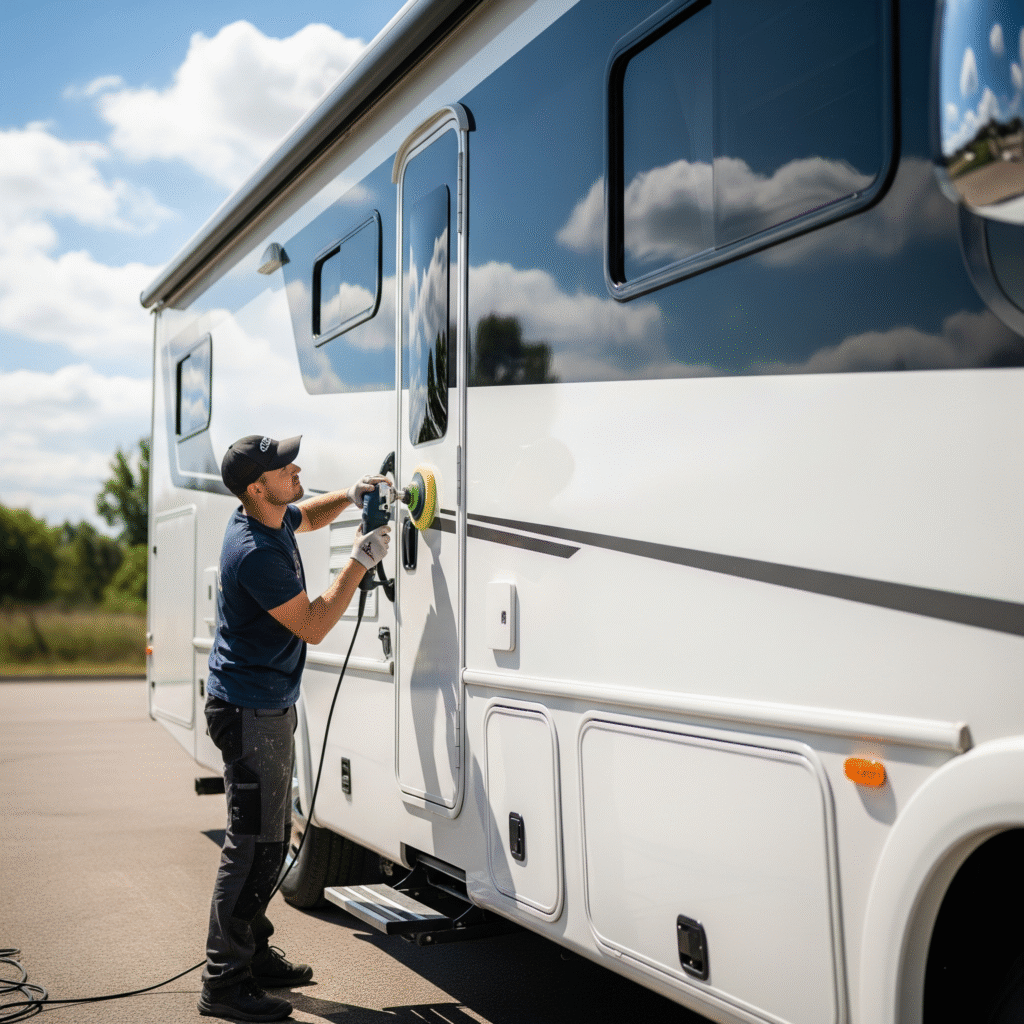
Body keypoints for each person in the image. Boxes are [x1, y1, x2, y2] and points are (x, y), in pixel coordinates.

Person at [197, 433, 391, 1023]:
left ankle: (251, 955)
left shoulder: (273, 515)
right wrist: (359, 560)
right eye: (285, 466)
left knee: (274, 839)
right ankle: (223, 982)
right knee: (250, 843)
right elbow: (311, 624)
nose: (296, 467)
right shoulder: (252, 550)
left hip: (266, 703)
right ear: (258, 488)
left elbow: (306, 516)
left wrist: (352, 496)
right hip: (247, 710)